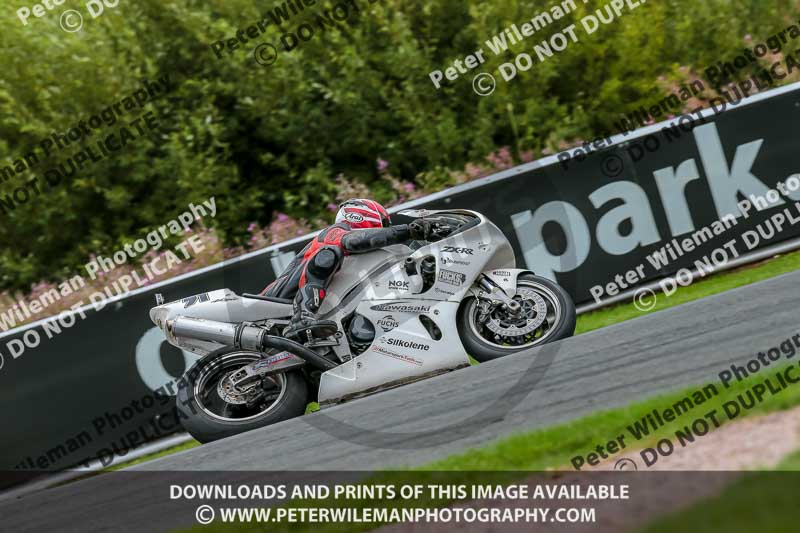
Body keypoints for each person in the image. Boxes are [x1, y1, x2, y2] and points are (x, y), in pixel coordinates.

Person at [261, 199, 437, 341]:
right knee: (328, 254)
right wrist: (407, 231)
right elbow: (353, 241)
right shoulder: (336, 231)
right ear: (363, 217)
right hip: (275, 300)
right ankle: (301, 317)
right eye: (384, 224)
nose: (385, 229)